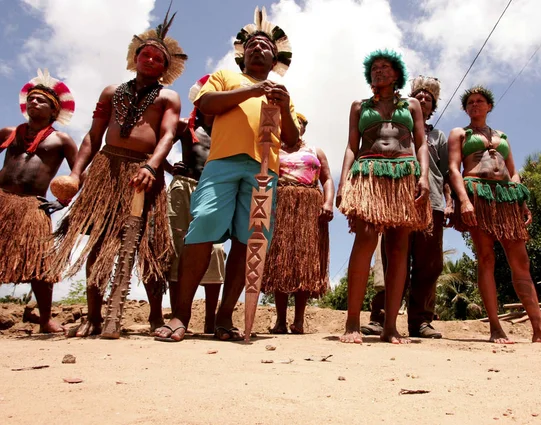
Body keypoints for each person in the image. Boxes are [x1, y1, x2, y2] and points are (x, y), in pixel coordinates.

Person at [155, 7, 299, 342]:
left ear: (275, 57)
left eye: (266, 46)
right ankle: (180, 315)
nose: (259, 48)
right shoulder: (224, 78)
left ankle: (224, 319)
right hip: (221, 163)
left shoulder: (282, 93)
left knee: (248, 241)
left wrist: (283, 104)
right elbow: (207, 106)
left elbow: (292, 140)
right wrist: (252, 91)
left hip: (264, 171)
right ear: (243, 54)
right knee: (203, 224)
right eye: (253, 45)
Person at [50, 8, 187, 337]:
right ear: (136, 57)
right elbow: (93, 136)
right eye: (147, 55)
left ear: (166, 68)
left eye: (158, 59)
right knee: (98, 244)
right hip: (106, 171)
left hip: (144, 173)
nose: (151, 61)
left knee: (152, 247)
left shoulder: (168, 97)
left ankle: (156, 318)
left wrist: (152, 167)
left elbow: (168, 135)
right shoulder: (112, 92)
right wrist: (78, 173)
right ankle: (94, 317)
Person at [448, 85, 541, 345]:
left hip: (507, 196)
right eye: (470, 102)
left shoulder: (503, 135)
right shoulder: (460, 133)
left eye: (480, 101)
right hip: (478, 193)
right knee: (486, 259)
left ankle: (540, 329)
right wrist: (464, 200)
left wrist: (521, 199)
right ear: (465, 108)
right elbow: (453, 168)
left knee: (521, 262)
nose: (475, 105)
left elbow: (513, 171)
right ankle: (496, 328)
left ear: (489, 106)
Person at [337, 49, 431, 344]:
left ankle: (390, 325)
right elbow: (352, 146)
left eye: (385, 67)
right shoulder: (359, 106)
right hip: (368, 171)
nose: (379, 71)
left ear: (397, 73)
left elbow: (421, 143)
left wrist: (424, 176)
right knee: (365, 238)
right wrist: (344, 182)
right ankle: (352, 321)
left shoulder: (412, 104)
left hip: (404, 172)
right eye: (375, 67)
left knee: (399, 247)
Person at [363, 76, 452, 339]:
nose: (423, 99)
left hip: (431, 201)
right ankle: (381, 317)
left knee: (428, 263)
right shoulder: (397, 126)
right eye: (419, 96)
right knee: (392, 257)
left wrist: (451, 203)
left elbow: (446, 172)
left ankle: (421, 321)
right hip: (395, 200)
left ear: (433, 105)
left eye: (429, 98)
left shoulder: (438, 137)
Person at [0, 69, 77, 333]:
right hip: (2, 202)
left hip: (34, 206)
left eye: (41, 100)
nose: (34, 102)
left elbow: (79, 173)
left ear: (54, 110)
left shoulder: (61, 139)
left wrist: (63, 202)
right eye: (31, 99)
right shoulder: (9, 132)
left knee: (40, 265)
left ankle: (45, 319)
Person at [163, 76, 226, 335]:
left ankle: (211, 320)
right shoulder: (183, 127)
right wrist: (169, 167)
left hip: (211, 190)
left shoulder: (225, 131)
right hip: (182, 186)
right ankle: (178, 315)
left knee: (216, 251)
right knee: (177, 250)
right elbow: (160, 143)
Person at [262, 113, 334, 335]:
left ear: (303, 128)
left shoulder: (315, 151)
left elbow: (327, 178)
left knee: (305, 261)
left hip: (310, 205)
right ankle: (281, 321)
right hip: (280, 203)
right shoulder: (272, 150)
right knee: (280, 260)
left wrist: (329, 202)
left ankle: (299, 320)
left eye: (298, 124)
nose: (294, 127)